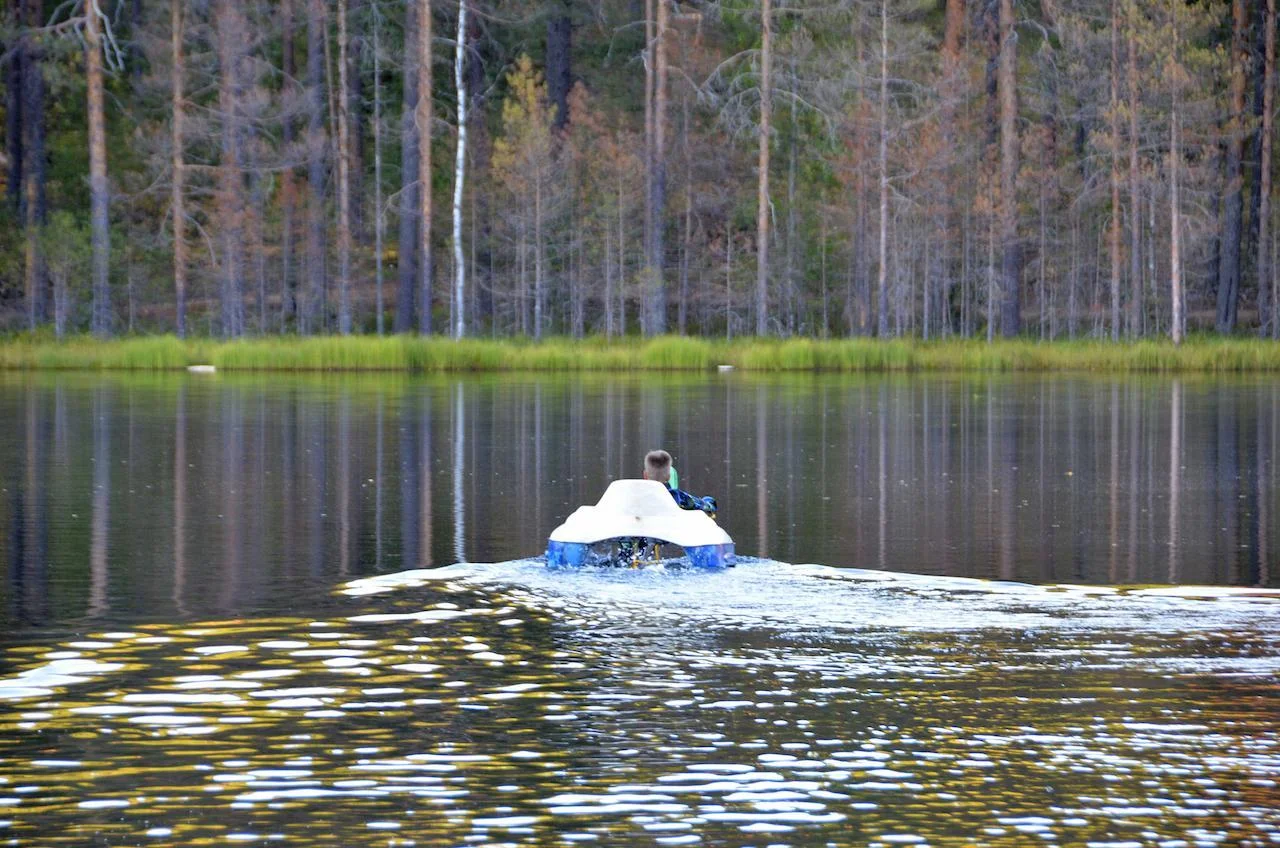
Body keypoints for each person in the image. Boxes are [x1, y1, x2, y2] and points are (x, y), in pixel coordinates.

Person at [643, 449, 717, 515]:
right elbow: (706, 506)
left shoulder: (636, 497)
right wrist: (709, 500)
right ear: (669, 476)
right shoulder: (678, 497)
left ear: (645, 475)